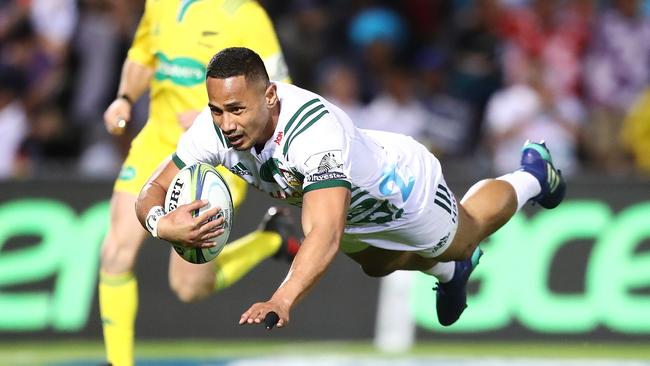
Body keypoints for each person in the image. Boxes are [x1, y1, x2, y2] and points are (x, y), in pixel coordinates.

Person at [135, 47, 566, 330]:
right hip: (350, 207)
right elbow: (151, 190)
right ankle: (451, 274)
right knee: (377, 266)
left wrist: (282, 299)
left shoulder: (311, 132)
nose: (226, 124)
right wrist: (159, 223)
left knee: (462, 236)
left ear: (269, 96)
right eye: (216, 110)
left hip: (399, 190)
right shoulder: (212, 132)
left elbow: (324, 232)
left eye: (235, 109)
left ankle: (532, 175)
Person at [100, 3, 297, 366]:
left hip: (216, 154)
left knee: (189, 287)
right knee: (115, 253)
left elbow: (279, 91)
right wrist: (125, 98)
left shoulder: (246, 14)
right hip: (156, 145)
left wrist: (216, 118)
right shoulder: (159, 4)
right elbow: (144, 55)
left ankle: (272, 239)